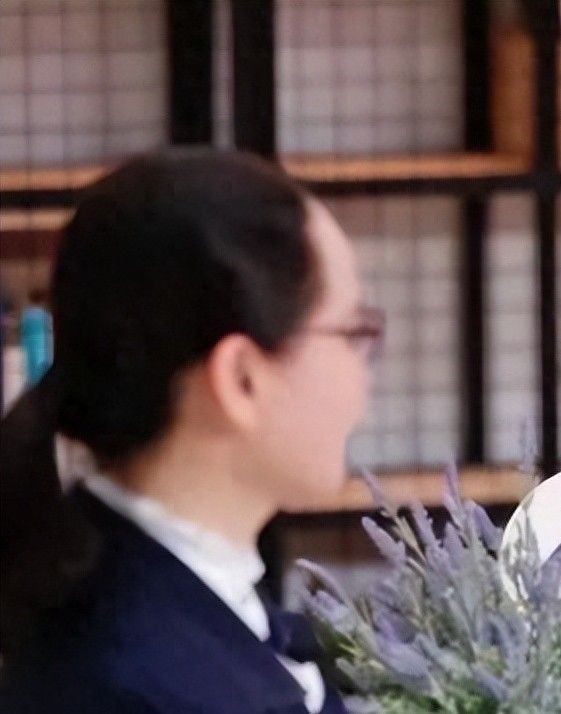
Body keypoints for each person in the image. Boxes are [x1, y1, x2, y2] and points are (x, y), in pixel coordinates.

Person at [0, 149, 381, 713]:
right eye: (354, 333)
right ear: (242, 379)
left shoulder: (136, 592)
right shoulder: (128, 680)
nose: (364, 383)